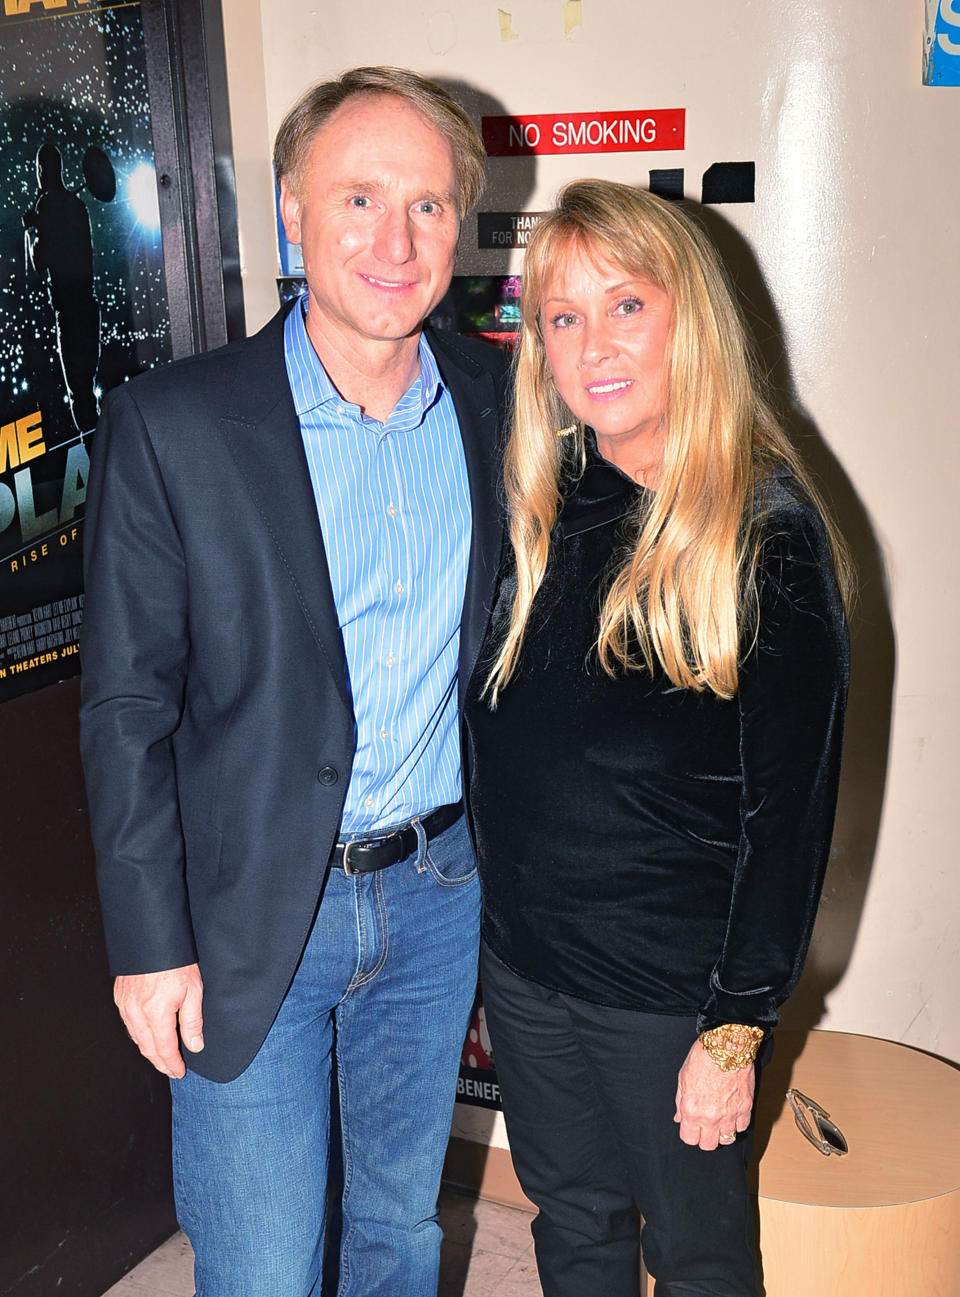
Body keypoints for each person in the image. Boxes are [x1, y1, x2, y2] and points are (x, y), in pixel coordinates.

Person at [79, 67, 507, 1297]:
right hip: (249, 906)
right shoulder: (175, 425)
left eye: (428, 207)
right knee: (262, 1263)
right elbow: (124, 708)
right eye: (359, 198)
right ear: (290, 213)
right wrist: (148, 943)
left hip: (437, 894)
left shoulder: (495, 401)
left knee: (400, 1235)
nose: (394, 239)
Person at [464, 180, 850, 1296]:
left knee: (697, 1258)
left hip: (670, 999)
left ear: (691, 317)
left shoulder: (765, 536)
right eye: (564, 316)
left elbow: (790, 821)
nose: (595, 345)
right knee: (571, 1223)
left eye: (627, 304)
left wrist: (735, 1030)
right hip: (531, 973)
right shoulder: (546, 500)